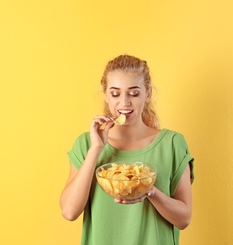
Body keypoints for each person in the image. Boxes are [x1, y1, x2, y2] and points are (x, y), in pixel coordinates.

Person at [59, 54, 194, 245]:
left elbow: (184, 219)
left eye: (134, 93)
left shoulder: (172, 144)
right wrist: (96, 149)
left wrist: (150, 192)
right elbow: (69, 211)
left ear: (147, 94)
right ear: (106, 95)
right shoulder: (86, 144)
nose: (124, 102)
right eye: (115, 93)